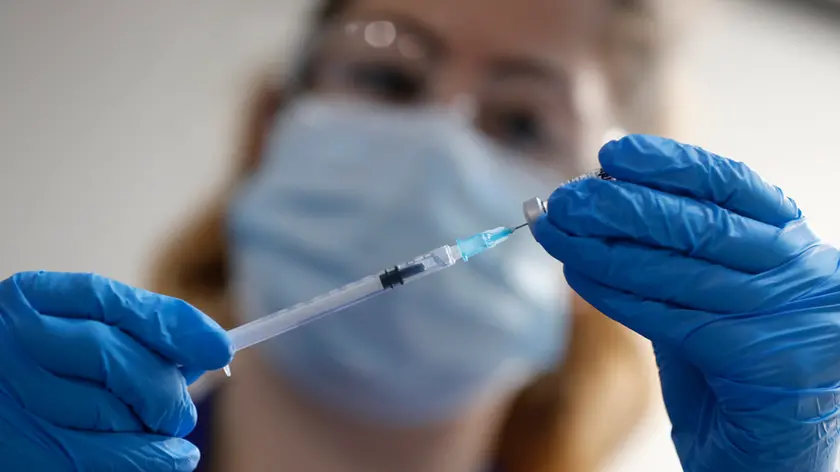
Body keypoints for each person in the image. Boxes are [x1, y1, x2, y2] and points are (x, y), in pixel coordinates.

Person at [4, 3, 840, 472]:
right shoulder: (53, 440)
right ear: (269, 130)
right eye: (385, 75)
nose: (437, 141)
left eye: (521, 120)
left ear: (609, 236)